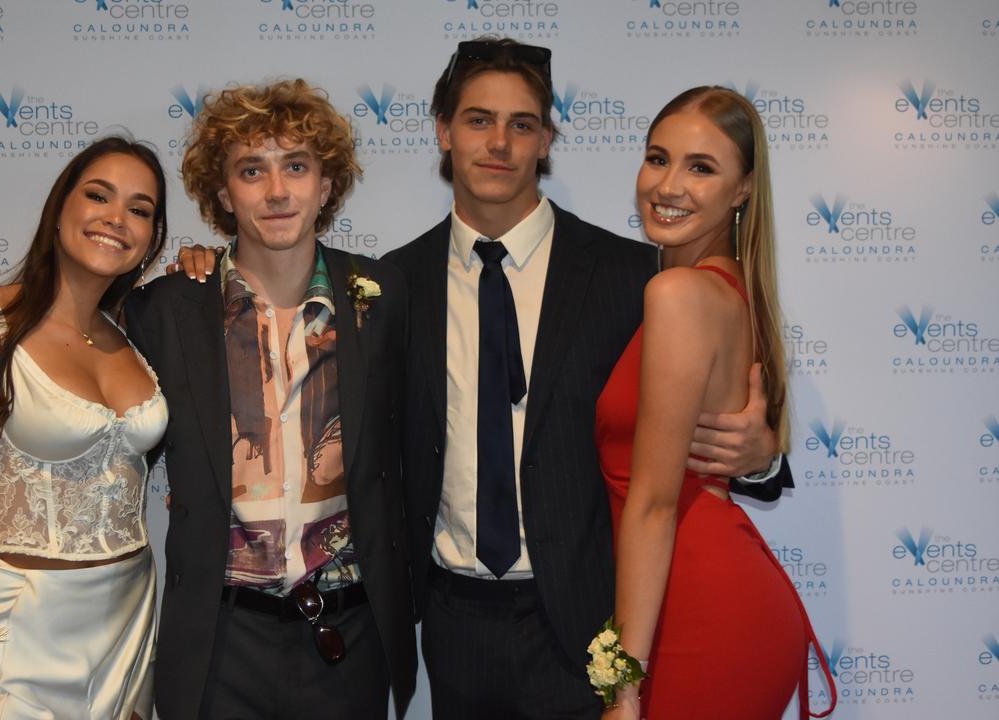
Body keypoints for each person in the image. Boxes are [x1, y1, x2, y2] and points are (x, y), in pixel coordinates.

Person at [169, 39, 790, 719]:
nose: (498, 143)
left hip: (589, 620)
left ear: (546, 139)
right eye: (476, 120)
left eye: (521, 124)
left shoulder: (633, 276)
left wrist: (759, 460)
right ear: (442, 131)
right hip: (450, 621)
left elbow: (712, 407)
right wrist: (206, 267)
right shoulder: (386, 289)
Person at [124, 79, 416, 719]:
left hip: (348, 632)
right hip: (219, 641)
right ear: (223, 193)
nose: (278, 191)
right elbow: (96, 433)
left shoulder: (381, 296)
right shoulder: (166, 311)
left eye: (297, 167)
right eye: (252, 171)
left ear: (327, 184)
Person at [0, 136, 170, 720]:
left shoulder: (135, 335)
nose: (116, 219)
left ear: (152, 236)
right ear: (58, 211)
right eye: (98, 195)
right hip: (17, 632)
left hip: (128, 626)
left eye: (140, 209)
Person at [596, 86, 835, 719]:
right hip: (687, 595)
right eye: (658, 157)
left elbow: (652, 504)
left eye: (701, 168)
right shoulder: (727, 290)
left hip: (696, 608)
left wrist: (623, 686)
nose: (668, 184)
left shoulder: (680, 294)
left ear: (743, 190)